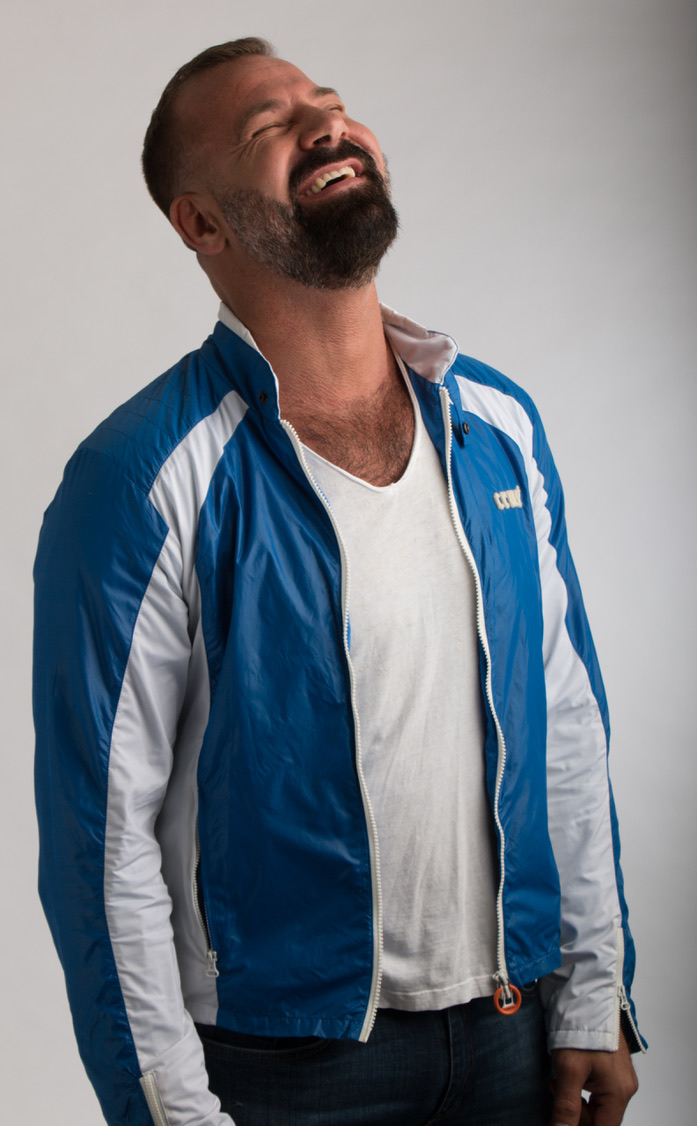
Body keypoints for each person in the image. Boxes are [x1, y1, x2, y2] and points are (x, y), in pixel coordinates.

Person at [33, 37, 643, 1126]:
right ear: (201, 223)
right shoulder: (144, 476)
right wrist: (170, 1110)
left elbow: (563, 722)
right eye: (269, 128)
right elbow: (103, 839)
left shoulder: (495, 425)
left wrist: (592, 993)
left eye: (328, 103)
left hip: (513, 1026)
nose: (325, 125)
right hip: (281, 1070)